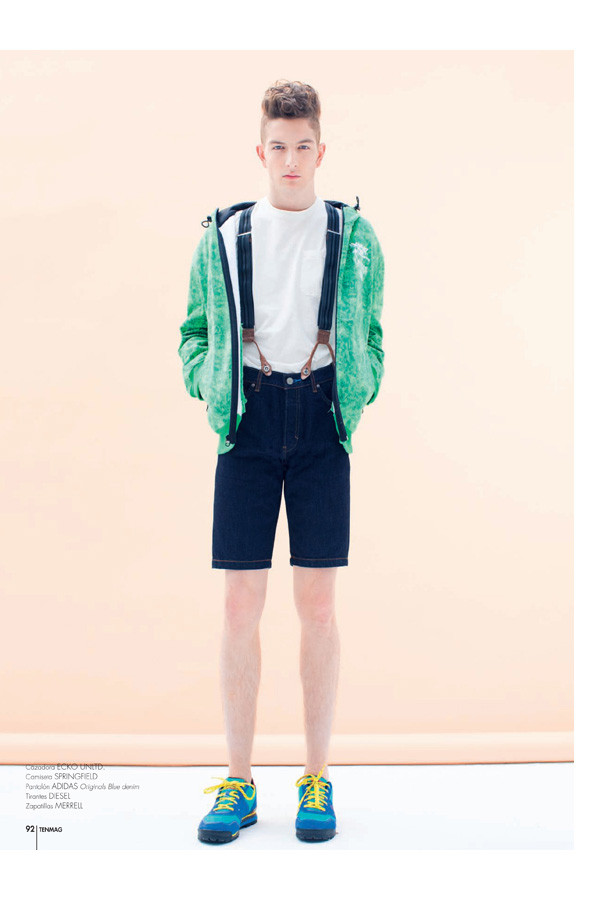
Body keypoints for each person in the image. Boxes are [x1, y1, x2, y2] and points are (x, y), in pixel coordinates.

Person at [178, 80, 385, 843]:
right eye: (278, 147)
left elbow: (374, 332)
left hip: (323, 419)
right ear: (259, 151)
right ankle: (238, 781)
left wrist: (358, 388)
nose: (290, 160)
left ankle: (316, 777)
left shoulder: (353, 236)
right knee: (240, 606)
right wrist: (212, 388)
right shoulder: (224, 236)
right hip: (248, 421)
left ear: (320, 151)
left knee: (318, 608)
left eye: (303, 146)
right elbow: (194, 333)